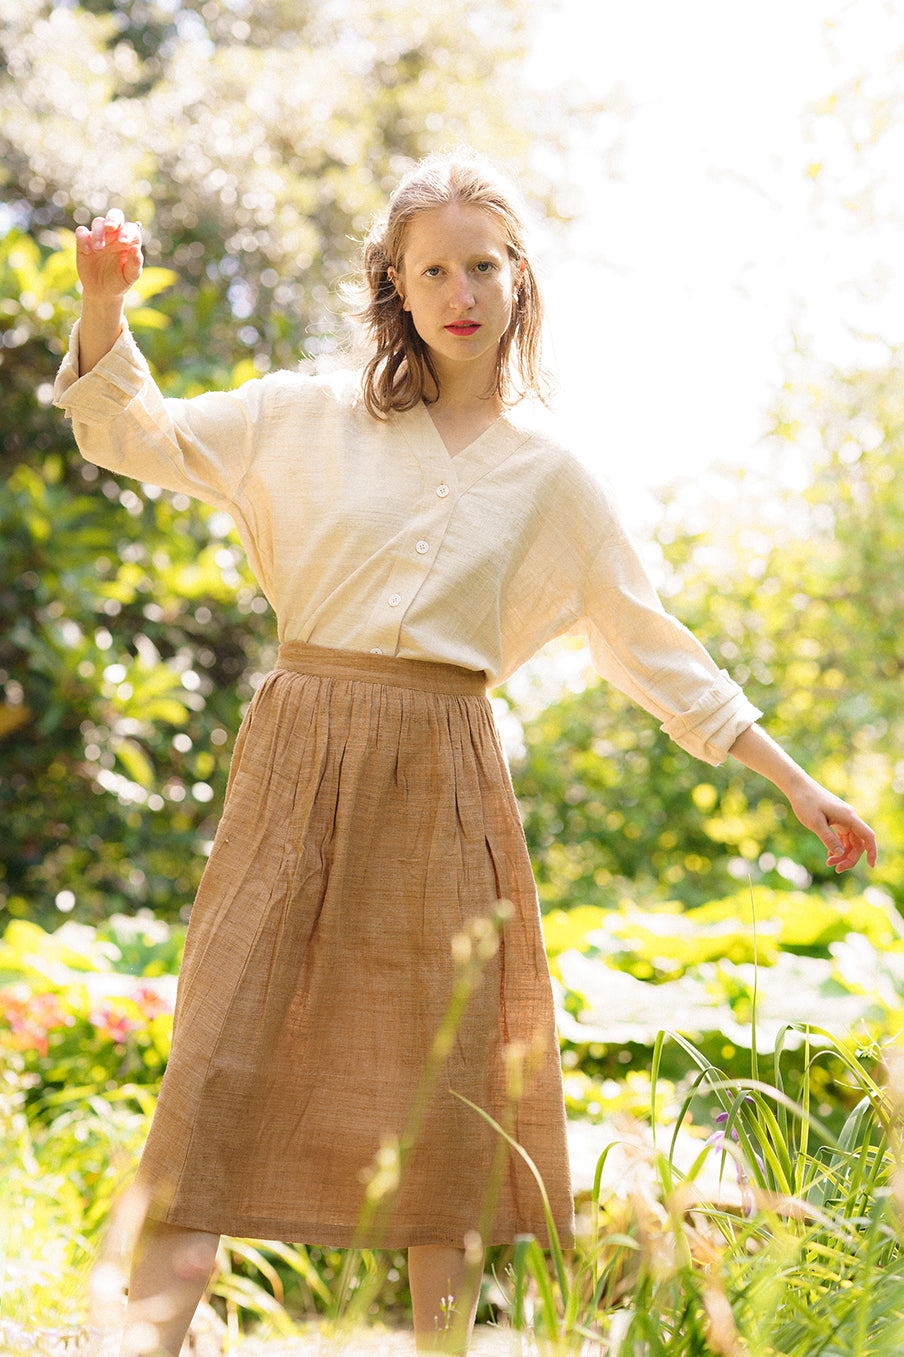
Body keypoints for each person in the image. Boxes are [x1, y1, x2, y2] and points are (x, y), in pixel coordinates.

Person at [54, 151, 877, 1355]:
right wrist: (102, 303)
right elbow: (141, 435)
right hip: (296, 760)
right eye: (433, 269)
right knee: (219, 1065)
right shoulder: (303, 415)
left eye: (482, 265)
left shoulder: (553, 475)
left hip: (442, 781)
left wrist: (794, 782)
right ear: (394, 282)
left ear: (518, 277)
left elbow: (652, 646)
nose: (460, 292)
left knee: (442, 1104)